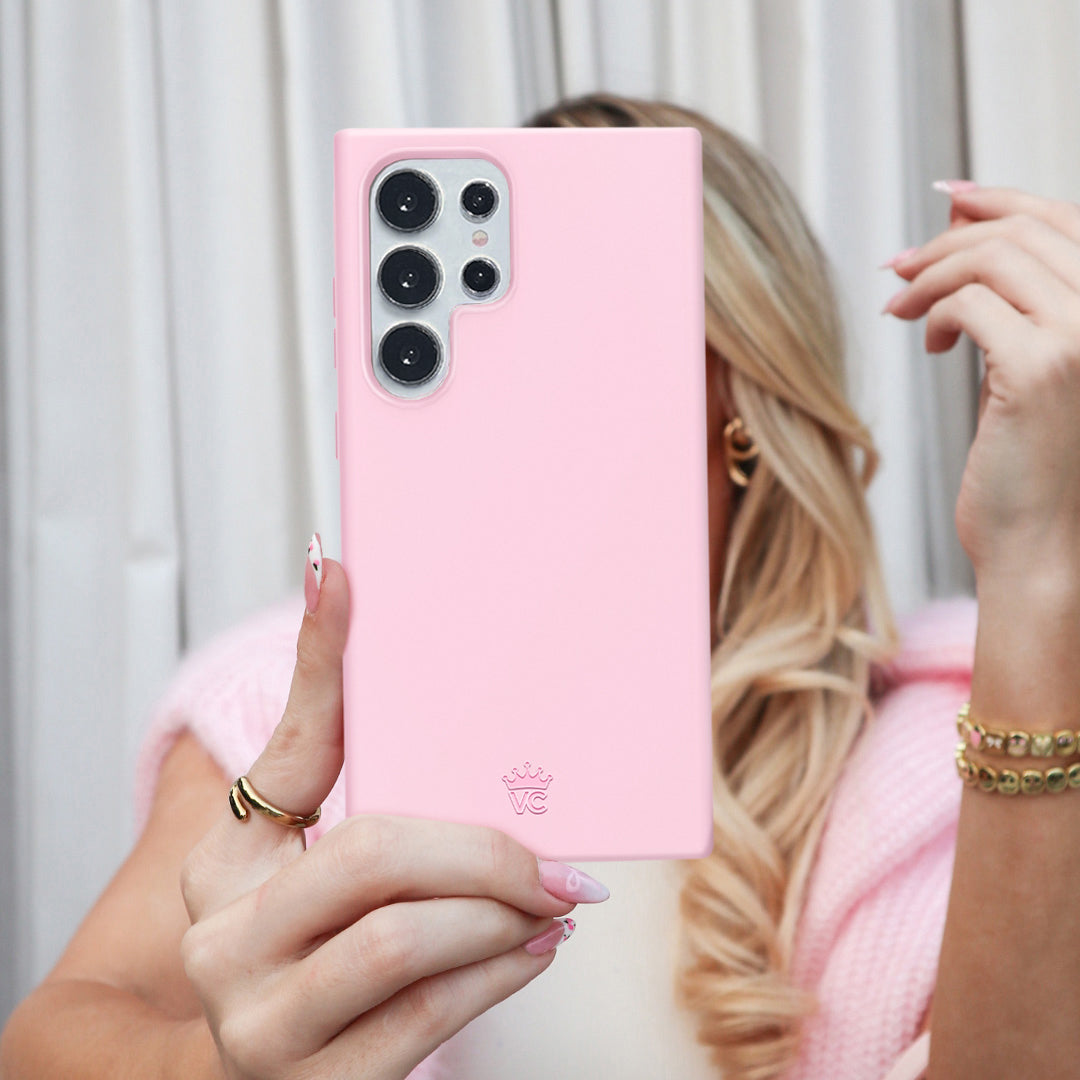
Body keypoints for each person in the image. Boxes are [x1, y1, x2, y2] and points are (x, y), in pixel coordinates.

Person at [3, 92, 1080, 1080]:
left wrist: (1038, 572)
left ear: (745, 413)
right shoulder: (284, 710)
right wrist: (216, 1068)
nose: (543, 401)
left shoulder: (952, 742)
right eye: (507, 340)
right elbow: (50, 1040)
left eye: (602, 323)